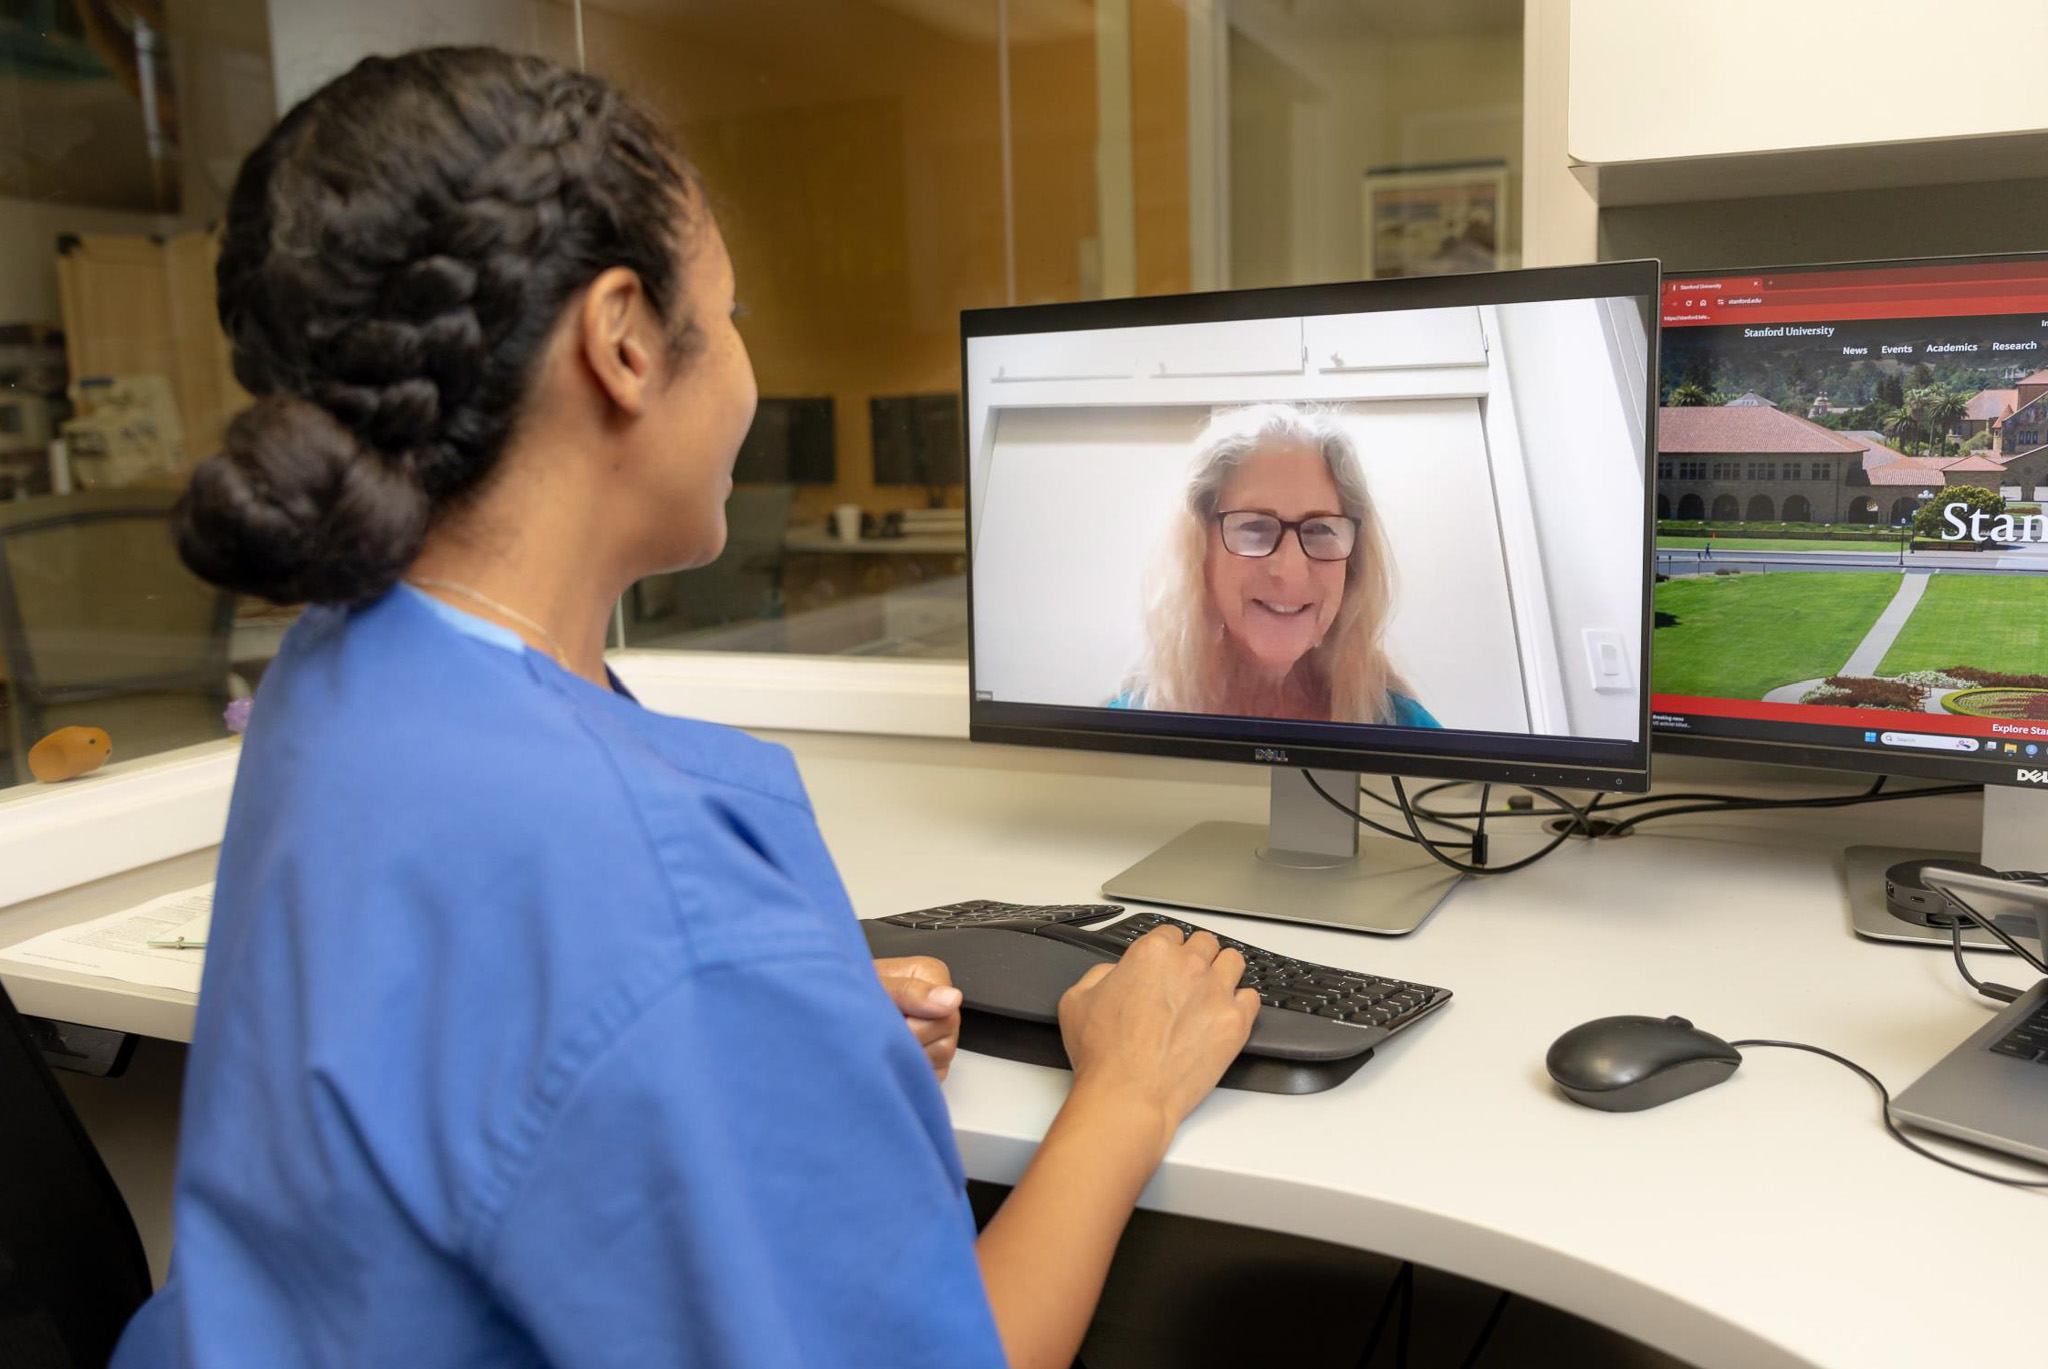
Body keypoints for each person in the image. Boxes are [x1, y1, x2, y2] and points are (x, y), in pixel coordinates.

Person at [113, 48, 1256, 1369]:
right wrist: (1127, 1088)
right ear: (624, 342)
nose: (751, 374)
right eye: (737, 309)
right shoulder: (660, 905)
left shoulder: (344, 663)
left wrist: (768, 1039)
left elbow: (491, 1029)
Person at [1112, 403, 1439, 727]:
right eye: (1255, 527)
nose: (1289, 570)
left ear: (1352, 566)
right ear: (1200, 550)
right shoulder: (1125, 735)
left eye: (1321, 529)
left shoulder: (1401, 730)